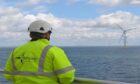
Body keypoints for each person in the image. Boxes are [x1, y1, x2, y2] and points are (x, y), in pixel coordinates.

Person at [4, 20, 75, 84]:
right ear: (47, 33)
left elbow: (8, 74)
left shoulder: (17, 50)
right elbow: (67, 76)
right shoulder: (54, 51)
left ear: (30, 34)